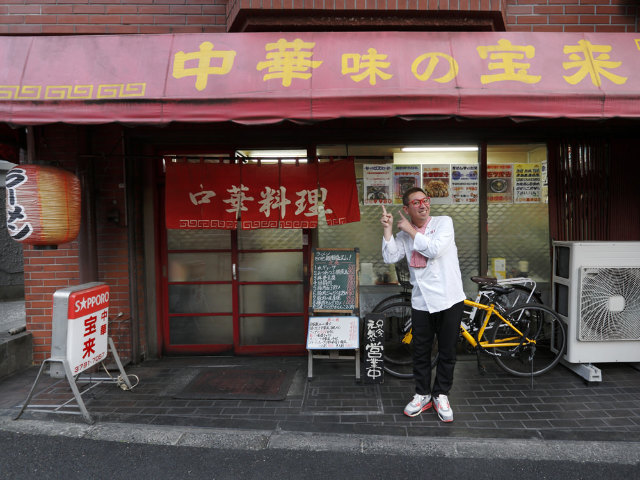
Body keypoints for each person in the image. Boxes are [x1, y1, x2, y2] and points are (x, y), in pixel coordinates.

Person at [380, 187, 465, 422]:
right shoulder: (405, 235)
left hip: (450, 298)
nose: (422, 205)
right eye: (415, 202)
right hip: (421, 301)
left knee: (447, 351)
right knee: (420, 351)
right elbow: (390, 256)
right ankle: (422, 394)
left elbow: (435, 249)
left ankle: (442, 394)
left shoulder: (443, 222)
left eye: (425, 200)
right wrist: (388, 230)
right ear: (406, 209)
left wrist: (408, 228)